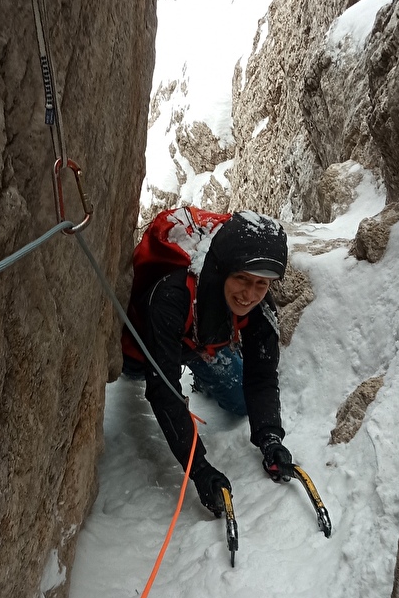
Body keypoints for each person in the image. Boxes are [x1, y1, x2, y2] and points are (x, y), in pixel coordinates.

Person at [124, 211, 295, 514]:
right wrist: (200, 469)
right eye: (241, 278)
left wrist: (270, 437)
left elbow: (262, 376)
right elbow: (164, 391)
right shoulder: (171, 295)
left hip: (201, 341)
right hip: (146, 345)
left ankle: (202, 376)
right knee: (137, 371)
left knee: (242, 403)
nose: (250, 294)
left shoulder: (259, 307)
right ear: (221, 269)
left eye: (261, 284)